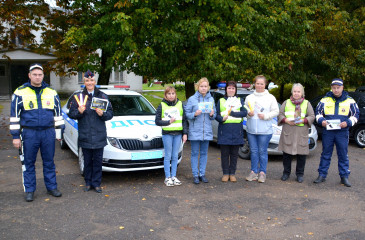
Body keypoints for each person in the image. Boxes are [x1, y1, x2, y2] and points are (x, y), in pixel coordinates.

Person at [10, 63, 64, 202]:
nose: (37, 77)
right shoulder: (20, 92)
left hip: (48, 132)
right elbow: (15, 117)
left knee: (49, 162)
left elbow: (58, 114)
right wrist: (16, 137)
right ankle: (30, 190)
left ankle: (51, 187)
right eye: (34, 74)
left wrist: (59, 133)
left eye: (40, 74)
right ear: (29, 75)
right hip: (29, 133)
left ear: (43, 75)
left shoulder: (51, 92)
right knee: (28, 162)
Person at [68, 70, 113, 193]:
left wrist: (102, 114)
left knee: (98, 162)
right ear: (84, 82)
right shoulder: (78, 97)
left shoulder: (103, 96)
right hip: (85, 135)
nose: (90, 82)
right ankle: (88, 183)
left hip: (99, 135)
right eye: (87, 80)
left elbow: (110, 114)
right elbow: (71, 114)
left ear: (95, 81)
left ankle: (97, 184)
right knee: (87, 161)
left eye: (92, 80)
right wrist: (79, 112)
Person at [314, 78, 359, 187]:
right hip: (328, 132)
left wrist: (348, 122)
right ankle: (322, 175)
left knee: (343, 154)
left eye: (338, 88)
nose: (336, 90)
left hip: (342, 132)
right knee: (325, 153)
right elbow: (318, 113)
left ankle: (344, 176)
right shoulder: (324, 100)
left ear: (342, 88)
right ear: (331, 88)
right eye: (334, 88)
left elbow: (356, 115)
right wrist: (321, 121)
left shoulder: (350, 101)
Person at [278, 83, 315, 183]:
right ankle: (286, 173)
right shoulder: (286, 102)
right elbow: (280, 114)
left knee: (301, 155)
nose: (296, 93)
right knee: (286, 154)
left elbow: (312, 116)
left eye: (298, 91)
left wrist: (304, 120)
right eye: (295, 91)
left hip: (301, 132)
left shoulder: (307, 103)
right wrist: (285, 120)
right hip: (288, 131)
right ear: (292, 92)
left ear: (302, 93)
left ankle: (300, 174)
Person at [245, 75, 279, 183]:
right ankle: (253, 172)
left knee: (262, 151)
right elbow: (245, 111)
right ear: (254, 84)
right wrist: (248, 114)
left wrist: (265, 116)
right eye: (257, 83)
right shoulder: (249, 97)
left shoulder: (270, 97)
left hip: (265, 130)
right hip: (251, 130)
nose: (259, 85)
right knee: (254, 151)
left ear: (265, 85)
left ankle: (262, 173)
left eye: (262, 84)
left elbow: (276, 111)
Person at [185, 77, 216, 184]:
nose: (203, 88)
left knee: (204, 153)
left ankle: (202, 174)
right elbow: (186, 114)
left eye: (205, 86)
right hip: (195, 131)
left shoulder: (211, 99)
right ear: (198, 87)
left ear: (208, 88)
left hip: (206, 131)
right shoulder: (192, 99)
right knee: (194, 153)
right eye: (201, 86)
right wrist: (194, 114)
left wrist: (212, 114)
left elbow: (214, 114)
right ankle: (195, 175)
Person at [155, 86, 188, 186]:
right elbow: (157, 121)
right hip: (167, 134)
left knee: (175, 156)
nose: (171, 95)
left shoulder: (180, 104)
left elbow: (184, 120)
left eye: (173, 93)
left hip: (178, 134)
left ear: (175, 94)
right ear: (165, 95)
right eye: (169, 94)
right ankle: (167, 177)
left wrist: (185, 133)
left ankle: (174, 176)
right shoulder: (162, 105)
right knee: (168, 156)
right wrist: (168, 122)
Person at [215, 81, 247, 182]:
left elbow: (244, 112)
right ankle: (225, 173)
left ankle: (232, 173)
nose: (231, 90)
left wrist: (232, 113)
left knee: (234, 154)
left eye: (233, 88)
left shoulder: (240, 100)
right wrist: (221, 119)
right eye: (229, 88)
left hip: (237, 131)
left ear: (235, 90)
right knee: (224, 154)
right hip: (225, 131)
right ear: (226, 89)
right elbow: (216, 115)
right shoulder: (221, 100)